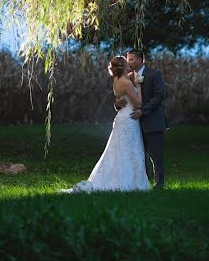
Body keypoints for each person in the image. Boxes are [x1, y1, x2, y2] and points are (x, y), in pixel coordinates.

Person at [59, 55, 151, 193]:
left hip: (122, 117)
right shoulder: (126, 82)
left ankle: (123, 180)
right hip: (129, 119)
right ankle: (130, 183)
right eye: (127, 62)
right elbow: (137, 103)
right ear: (124, 66)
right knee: (130, 151)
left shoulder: (117, 80)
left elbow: (121, 96)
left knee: (118, 151)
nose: (129, 63)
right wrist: (138, 85)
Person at [115, 49, 168, 189]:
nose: (128, 62)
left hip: (153, 121)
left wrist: (142, 111)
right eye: (127, 59)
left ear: (140, 60)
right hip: (133, 123)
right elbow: (121, 96)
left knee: (156, 155)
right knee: (139, 155)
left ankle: (159, 184)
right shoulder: (126, 77)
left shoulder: (153, 74)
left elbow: (159, 95)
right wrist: (117, 104)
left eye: (131, 59)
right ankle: (142, 183)